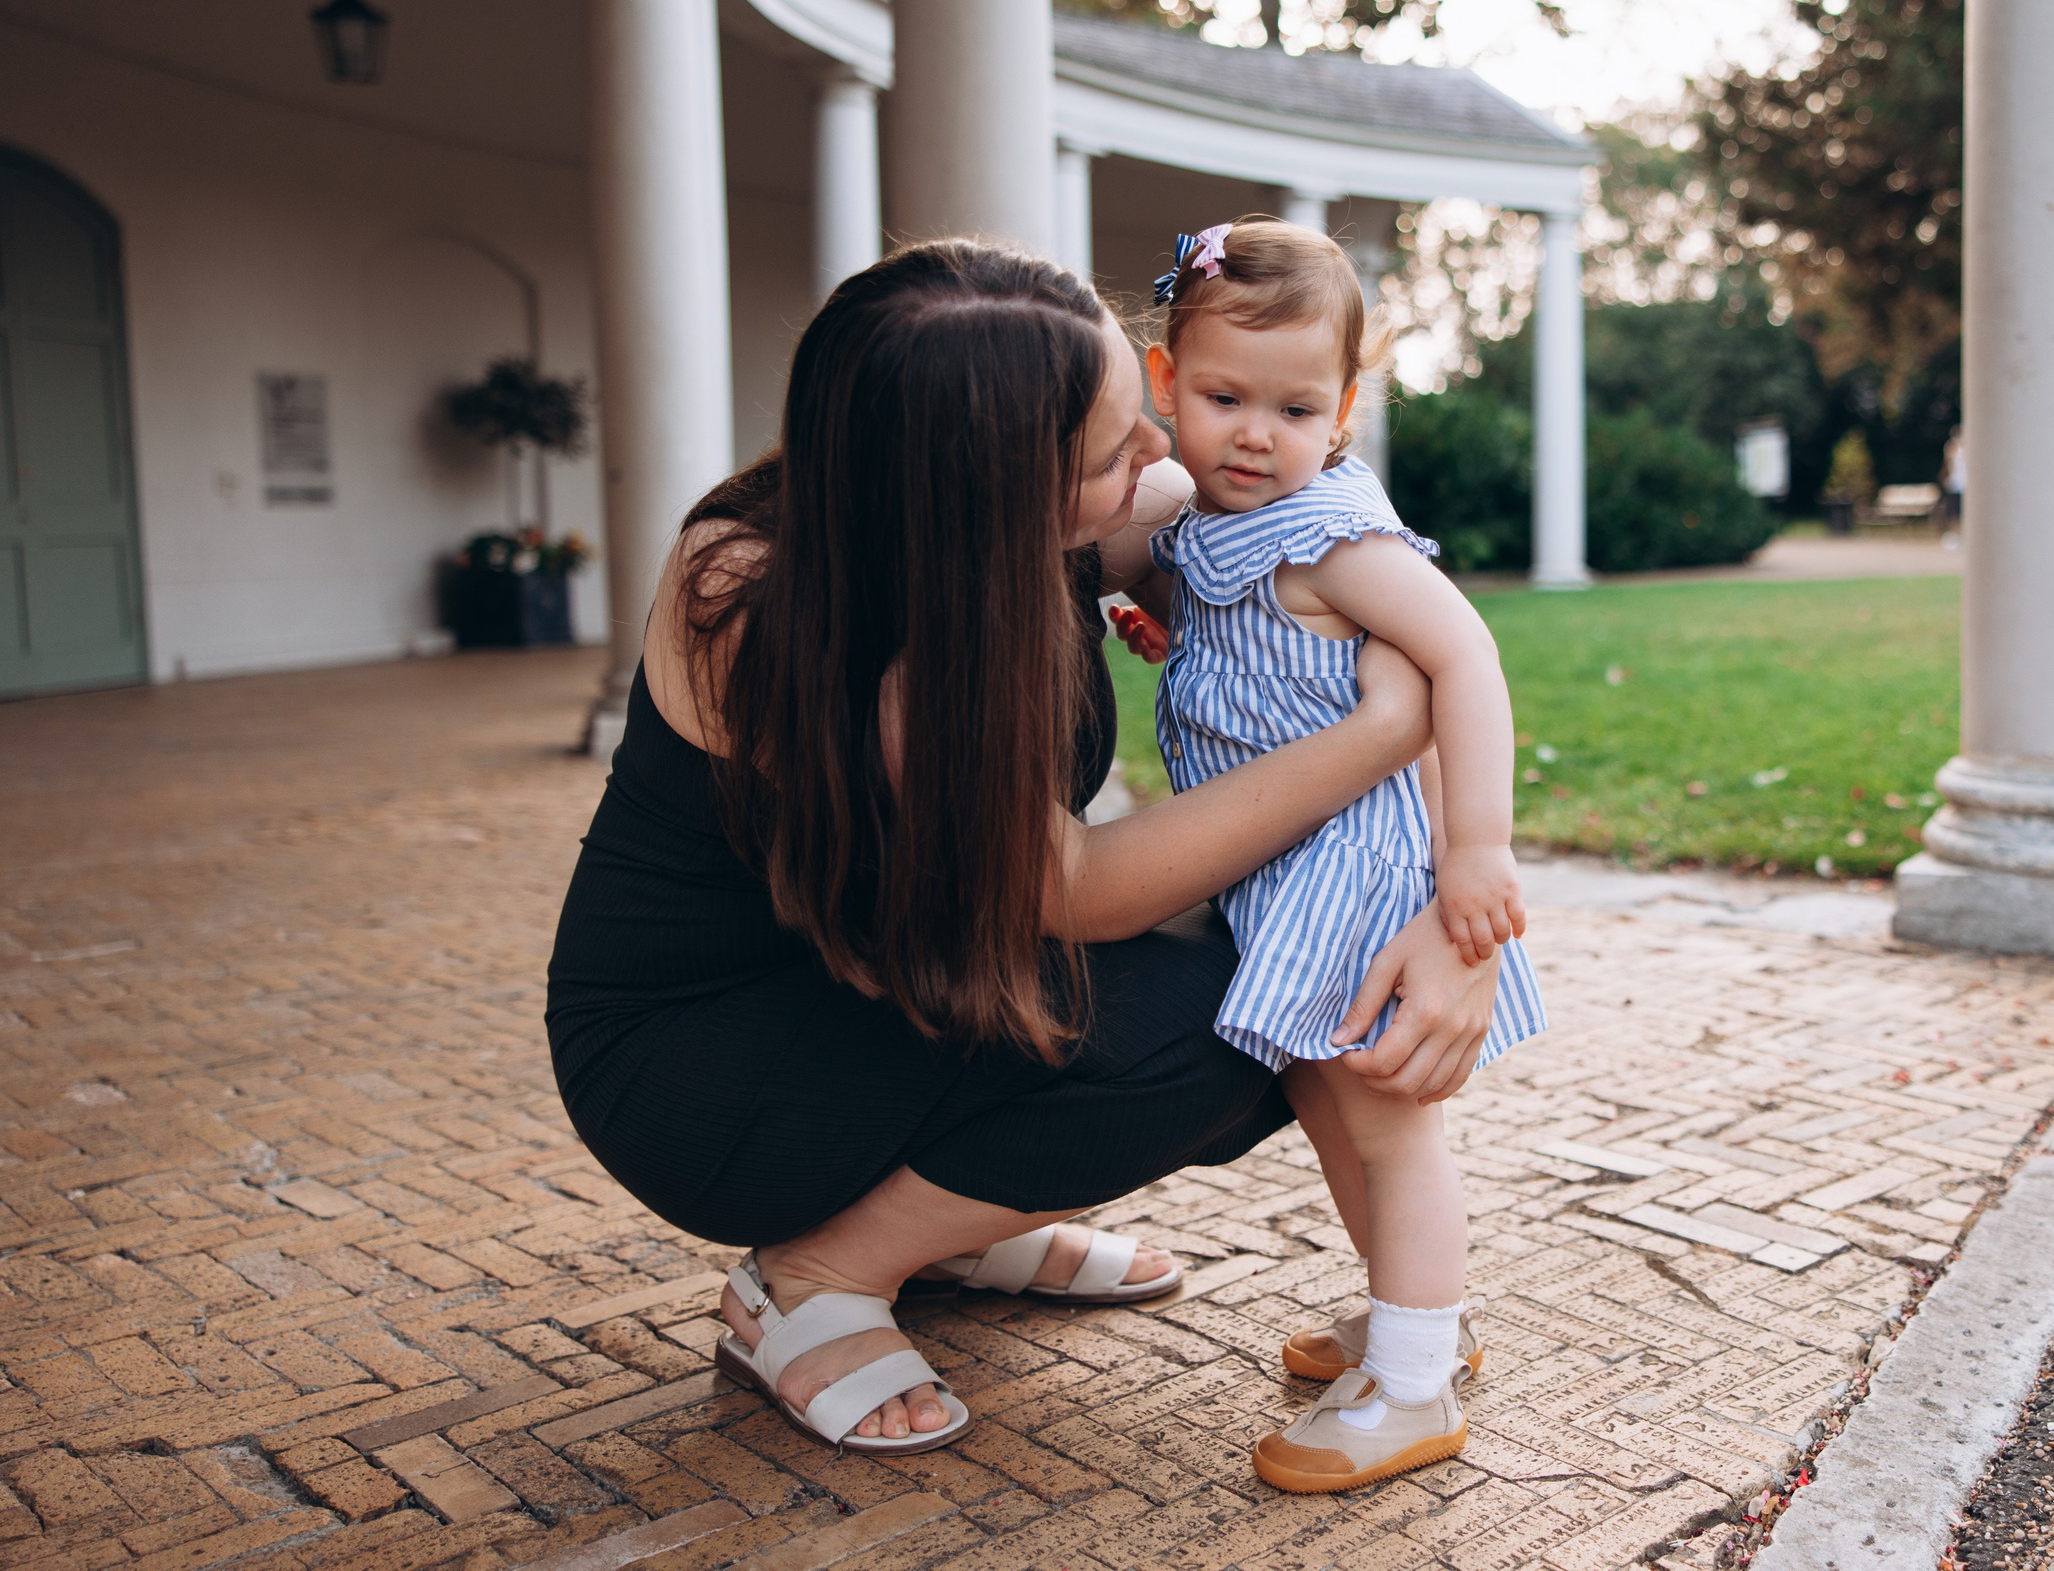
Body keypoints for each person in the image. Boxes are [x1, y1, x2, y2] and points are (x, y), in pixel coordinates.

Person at [546, 241, 1498, 1457]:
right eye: (1115, 451)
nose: (1161, 457)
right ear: (987, 491)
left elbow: (1367, 591)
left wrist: (1447, 910)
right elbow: (1077, 891)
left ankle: (942, 1218)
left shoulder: (1010, 522)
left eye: (1139, 412)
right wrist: (1378, 732)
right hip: (711, 1059)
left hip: (898, 974)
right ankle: (817, 1269)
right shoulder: (756, 597)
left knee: (1287, 968)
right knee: (1237, 1012)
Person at [1113, 219, 1545, 1492]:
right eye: (1223, 397)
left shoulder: (1339, 534)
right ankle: (1419, 1317)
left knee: (1388, 1120)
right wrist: (1163, 620)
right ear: (1163, 386)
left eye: (1296, 407)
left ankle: (1412, 1387)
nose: (1256, 433)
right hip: (1286, 862)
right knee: (1326, 1102)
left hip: (1356, 867)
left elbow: (1467, 657)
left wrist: (1476, 848)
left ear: (1345, 408)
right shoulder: (1209, 521)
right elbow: (1241, 622)